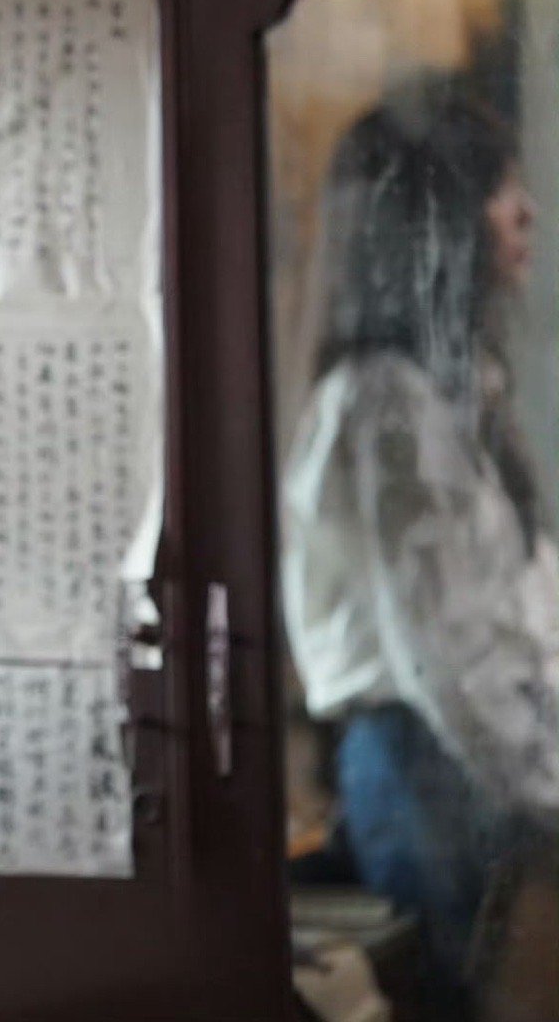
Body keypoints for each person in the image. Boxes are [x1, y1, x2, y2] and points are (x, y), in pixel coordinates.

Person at [280, 83, 558, 1016]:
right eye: (497, 187)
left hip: (465, 763)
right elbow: (449, 656)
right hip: (424, 764)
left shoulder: (449, 393)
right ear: (437, 216)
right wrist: (547, 788)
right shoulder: (384, 405)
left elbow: (516, 612)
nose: (524, 210)